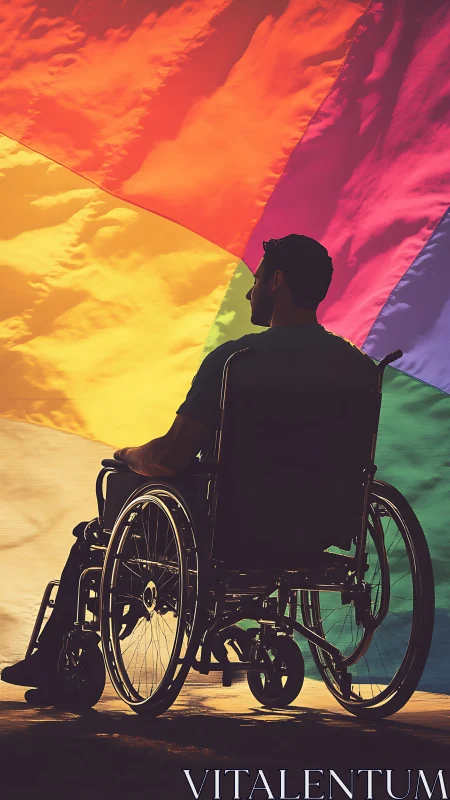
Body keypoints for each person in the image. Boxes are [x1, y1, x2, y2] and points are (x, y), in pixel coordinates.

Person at [1, 234, 377, 699]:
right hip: (320, 530)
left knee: (107, 509)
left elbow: (171, 457)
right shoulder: (358, 368)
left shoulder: (237, 361)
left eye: (256, 279)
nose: (249, 291)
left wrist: (129, 455)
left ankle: (57, 661)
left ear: (277, 281)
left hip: (232, 530)